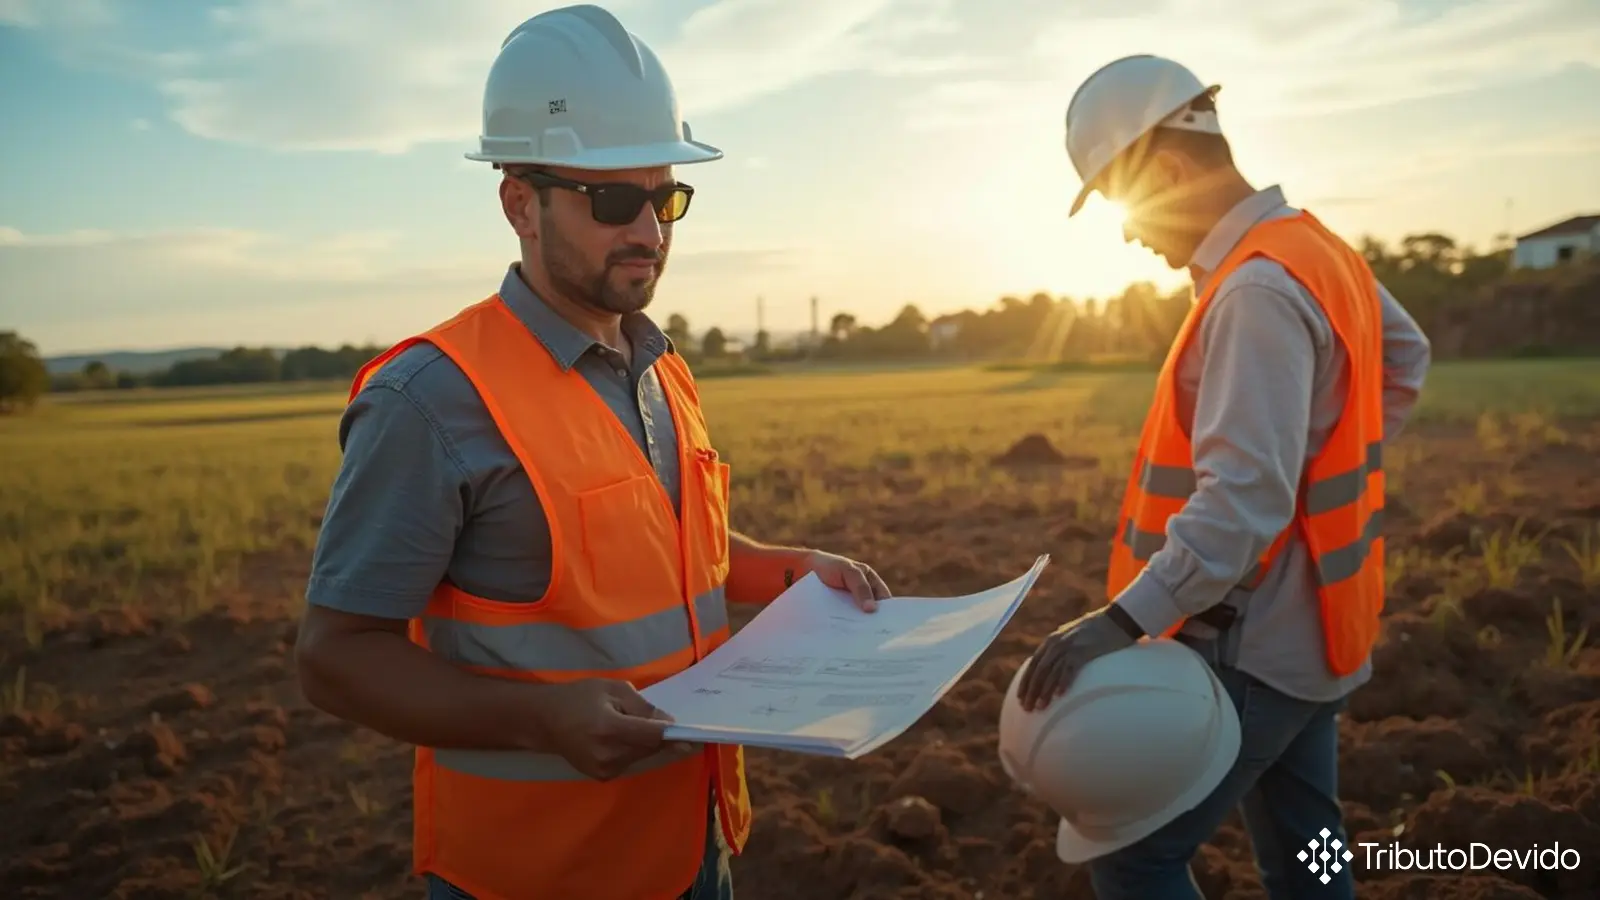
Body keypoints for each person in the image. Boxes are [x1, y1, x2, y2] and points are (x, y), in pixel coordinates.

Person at [291, 7, 891, 900]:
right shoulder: (429, 400)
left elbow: (662, 563)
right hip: (535, 873)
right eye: (614, 199)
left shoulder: (658, 366)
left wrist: (790, 571)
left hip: (691, 845)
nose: (649, 229)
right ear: (519, 203)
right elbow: (334, 655)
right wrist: (539, 719)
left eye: (666, 197)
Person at [1014, 54, 1431, 899]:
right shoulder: (1317, 250)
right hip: (1321, 627)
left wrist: (1121, 623)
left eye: (1126, 207)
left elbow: (1243, 501)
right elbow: (1406, 356)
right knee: (1306, 842)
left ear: (1168, 169)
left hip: (1255, 644)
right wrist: (1313, 465)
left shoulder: (1255, 293)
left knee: (1133, 857)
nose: (1131, 234)